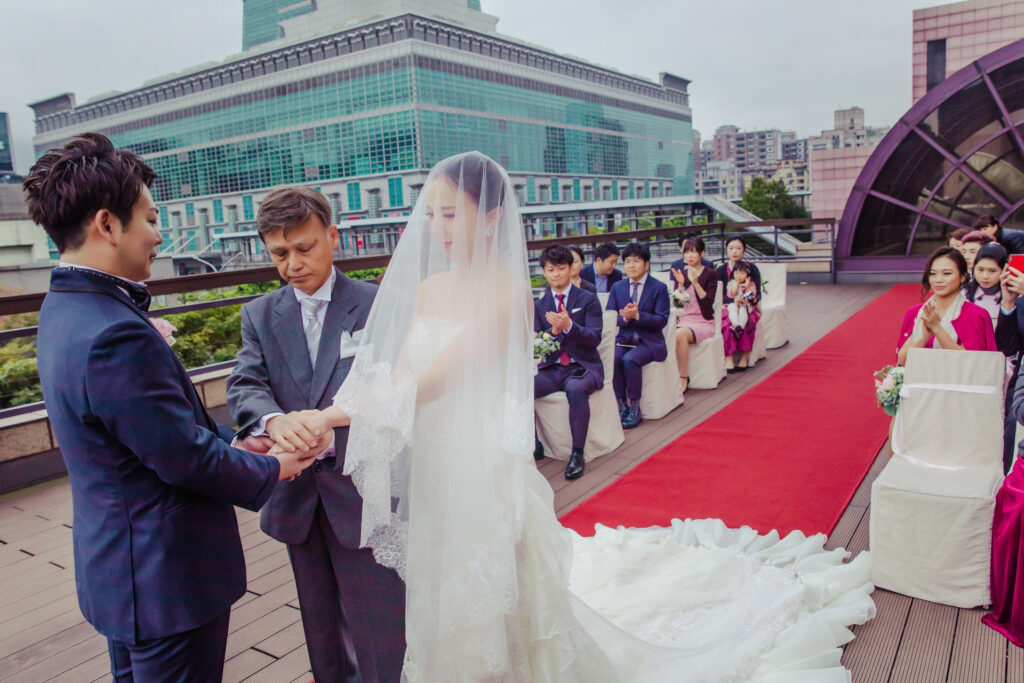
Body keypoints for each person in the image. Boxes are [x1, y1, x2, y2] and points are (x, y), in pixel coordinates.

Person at [275, 152, 874, 681]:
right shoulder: (429, 290)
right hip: (433, 460)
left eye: (451, 214)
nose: (438, 229)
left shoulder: (506, 290)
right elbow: (400, 374)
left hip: (477, 461)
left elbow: (434, 380)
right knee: (437, 585)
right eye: (432, 215)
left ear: (491, 216)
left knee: (494, 589)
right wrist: (326, 420)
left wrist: (329, 416)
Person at [26, 133, 314, 681]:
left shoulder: (62, 308)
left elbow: (153, 431)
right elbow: (183, 458)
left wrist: (238, 440)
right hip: (164, 580)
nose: (159, 235)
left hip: (120, 567)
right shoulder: (114, 333)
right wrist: (276, 466)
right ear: (108, 224)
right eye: (151, 219)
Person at [225, 187, 405, 683]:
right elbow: (245, 383)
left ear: (332, 236)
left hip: (364, 491)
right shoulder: (259, 314)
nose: (293, 265)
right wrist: (273, 421)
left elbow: (398, 389)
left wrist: (328, 425)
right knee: (322, 630)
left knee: (382, 629)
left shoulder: (377, 305)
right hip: (298, 497)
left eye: (304, 248)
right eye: (279, 253)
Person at [532, 245, 604, 479]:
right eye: (550, 270)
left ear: (571, 268)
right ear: (544, 272)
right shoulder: (539, 305)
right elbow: (537, 347)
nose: (556, 274)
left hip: (582, 366)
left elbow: (594, 338)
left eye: (561, 268)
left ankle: (577, 453)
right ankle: (533, 442)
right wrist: (553, 333)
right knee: (522, 385)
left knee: (575, 389)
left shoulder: (588, 299)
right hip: (552, 368)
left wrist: (569, 326)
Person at [897, 247, 996, 367]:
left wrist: (937, 328)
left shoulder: (976, 315)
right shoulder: (917, 312)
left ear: (963, 276)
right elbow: (901, 362)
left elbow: (972, 363)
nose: (938, 280)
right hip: (919, 376)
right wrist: (922, 338)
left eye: (947, 273)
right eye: (933, 274)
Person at [607, 242, 671, 428]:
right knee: (613, 358)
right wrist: (624, 318)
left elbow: (661, 320)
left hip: (649, 341)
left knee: (630, 360)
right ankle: (622, 405)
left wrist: (637, 316)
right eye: (627, 261)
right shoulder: (617, 287)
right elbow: (610, 315)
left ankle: (635, 407)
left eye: (636, 261)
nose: (631, 265)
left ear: (646, 264)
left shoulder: (658, 288)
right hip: (624, 339)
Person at [671, 237, 719, 387]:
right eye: (686, 252)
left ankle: (683, 376)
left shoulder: (710, 274)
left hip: (703, 321)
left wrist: (695, 283)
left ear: (702, 253)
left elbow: (708, 302)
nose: (689, 256)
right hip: (683, 319)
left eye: (693, 252)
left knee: (679, 334)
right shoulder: (682, 274)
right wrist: (680, 284)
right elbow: (679, 305)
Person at [723, 261, 760, 372]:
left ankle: (741, 327)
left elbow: (753, 295)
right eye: (737, 273)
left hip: (746, 306)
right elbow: (732, 294)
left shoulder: (751, 284)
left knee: (744, 312)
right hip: (734, 303)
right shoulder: (731, 283)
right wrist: (737, 285)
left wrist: (747, 286)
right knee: (732, 309)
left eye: (742, 273)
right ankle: (736, 325)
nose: (739, 275)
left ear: (747, 274)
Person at [964, 241, 1007, 328]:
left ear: (1003, 270)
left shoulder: (1013, 297)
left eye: (992, 271)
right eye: (980, 269)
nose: (985, 276)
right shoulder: (962, 294)